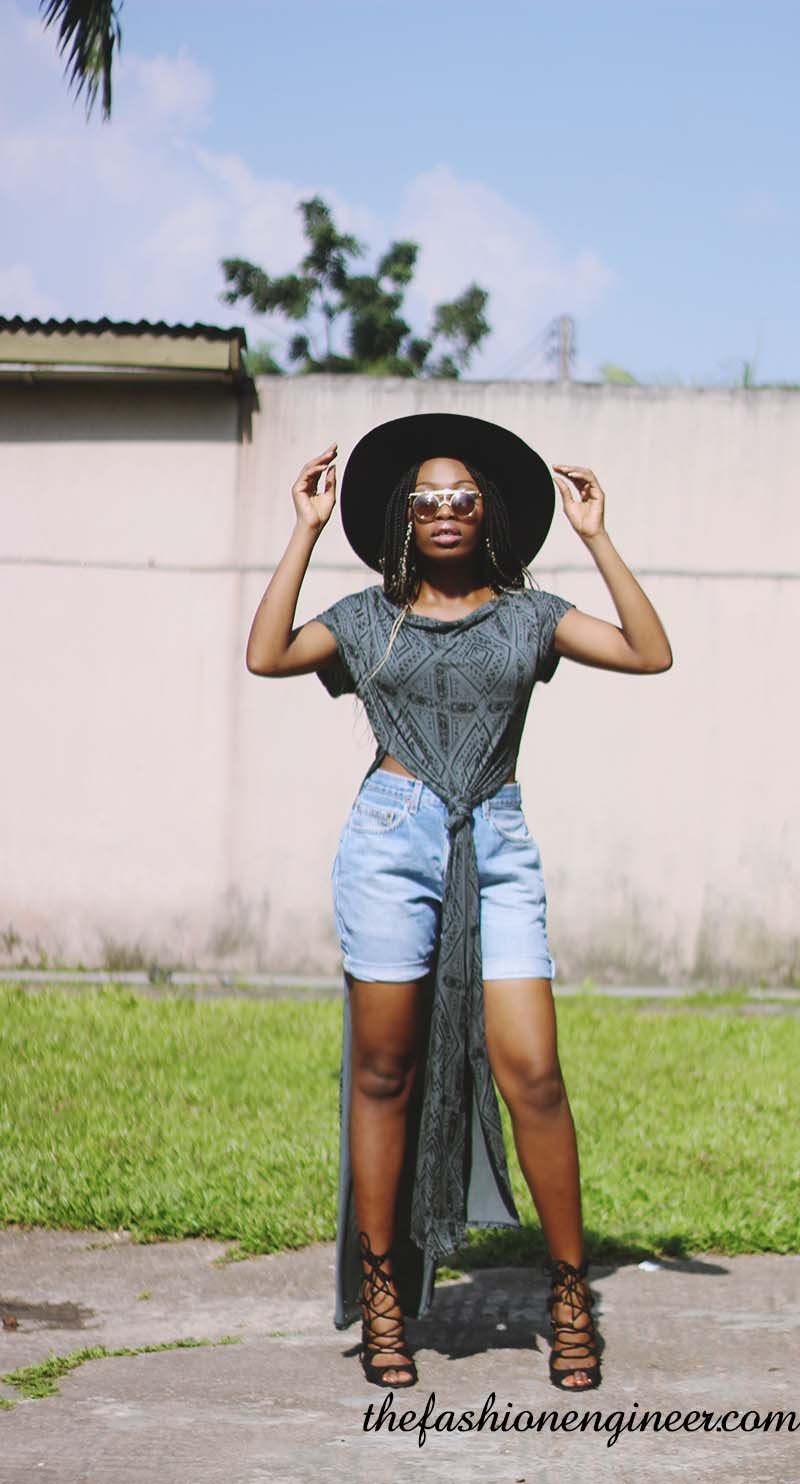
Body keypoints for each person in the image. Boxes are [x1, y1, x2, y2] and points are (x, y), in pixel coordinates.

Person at [246, 412, 672, 1394]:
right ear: (404, 516)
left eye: (462, 498)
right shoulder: (366, 618)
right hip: (390, 842)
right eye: (427, 499)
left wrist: (597, 535)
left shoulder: (529, 615)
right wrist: (304, 529)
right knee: (384, 1073)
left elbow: (648, 653)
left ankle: (571, 1295)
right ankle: (384, 1296)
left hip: (496, 843)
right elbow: (266, 654)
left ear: (489, 515)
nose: (444, 510)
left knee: (535, 1074)